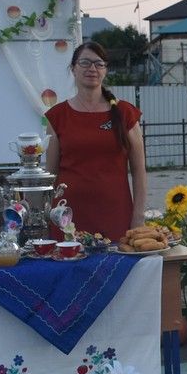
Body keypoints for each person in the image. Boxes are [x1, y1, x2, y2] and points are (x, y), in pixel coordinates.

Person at [45, 42, 147, 241]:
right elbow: (50, 174)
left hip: (116, 215)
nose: (92, 68)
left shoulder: (125, 113)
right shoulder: (57, 116)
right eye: (85, 62)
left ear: (105, 70)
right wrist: (45, 215)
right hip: (67, 216)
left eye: (98, 64)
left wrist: (139, 217)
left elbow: (139, 171)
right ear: (73, 68)